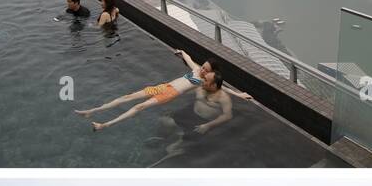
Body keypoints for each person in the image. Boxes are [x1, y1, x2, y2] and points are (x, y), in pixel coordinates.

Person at [76, 54, 246, 133]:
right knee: (129, 96)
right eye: (203, 66)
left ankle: (105, 125)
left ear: (210, 73)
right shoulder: (195, 69)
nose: (202, 70)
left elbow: (223, 88)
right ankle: (93, 110)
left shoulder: (203, 82)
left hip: (169, 94)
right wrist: (181, 51)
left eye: (206, 70)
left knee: (140, 106)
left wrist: (240, 95)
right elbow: (189, 58)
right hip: (162, 87)